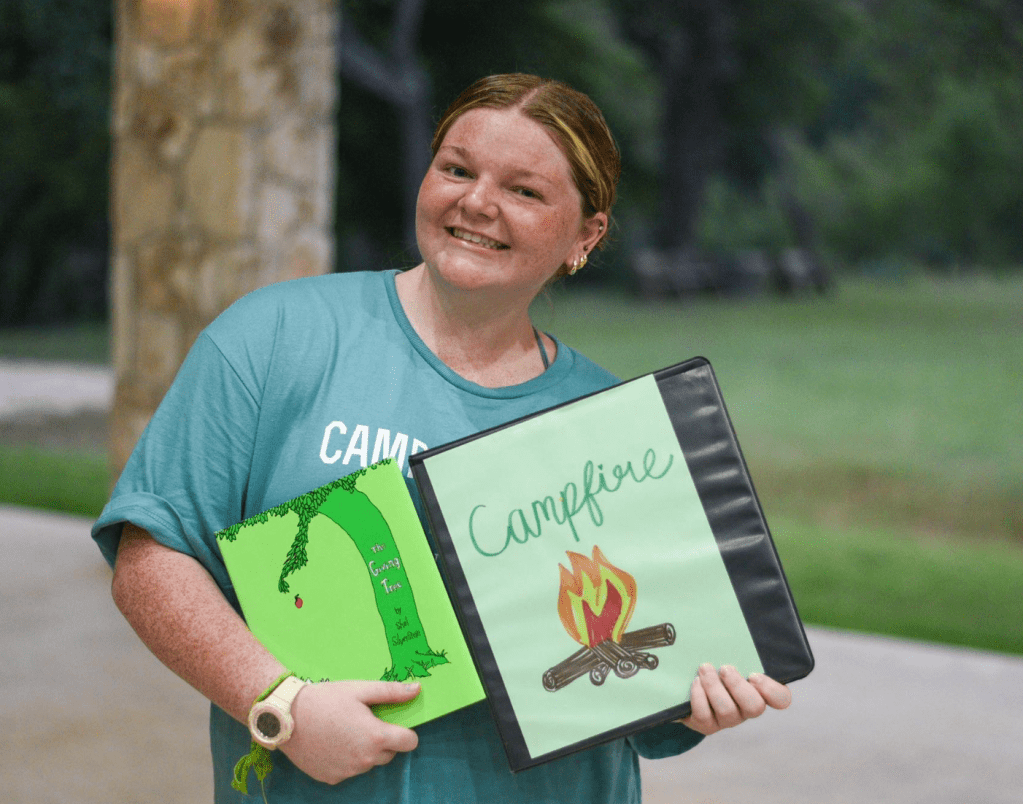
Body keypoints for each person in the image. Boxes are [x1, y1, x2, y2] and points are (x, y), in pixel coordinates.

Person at [93, 73, 791, 803]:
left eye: (524, 191)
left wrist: (698, 699)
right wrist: (282, 704)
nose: (477, 202)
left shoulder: (611, 426)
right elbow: (151, 557)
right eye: (457, 169)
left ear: (586, 234)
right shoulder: (277, 337)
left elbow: (633, 698)